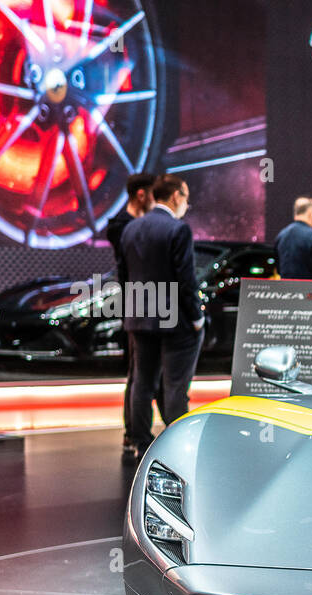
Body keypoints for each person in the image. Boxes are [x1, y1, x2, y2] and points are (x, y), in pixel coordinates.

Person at [120, 174, 205, 457]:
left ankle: (139, 441)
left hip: (138, 316)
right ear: (176, 196)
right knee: (175, 383)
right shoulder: (178, 229)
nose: (187, 204)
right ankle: (177, 442)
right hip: (173, 320)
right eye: (187, 197)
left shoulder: (131, 229)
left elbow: (123, 277)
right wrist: (196, 317)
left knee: (142, 382)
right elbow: (186, 280)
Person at [108, 172, 156, 461]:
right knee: (139, 374)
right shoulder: (124, 228)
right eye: (153, 194)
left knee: (139, 374)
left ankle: (135, 434)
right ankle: (136, 434)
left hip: (140, 307)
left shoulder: (128, 226)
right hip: (140, 307)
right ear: (142, 194)